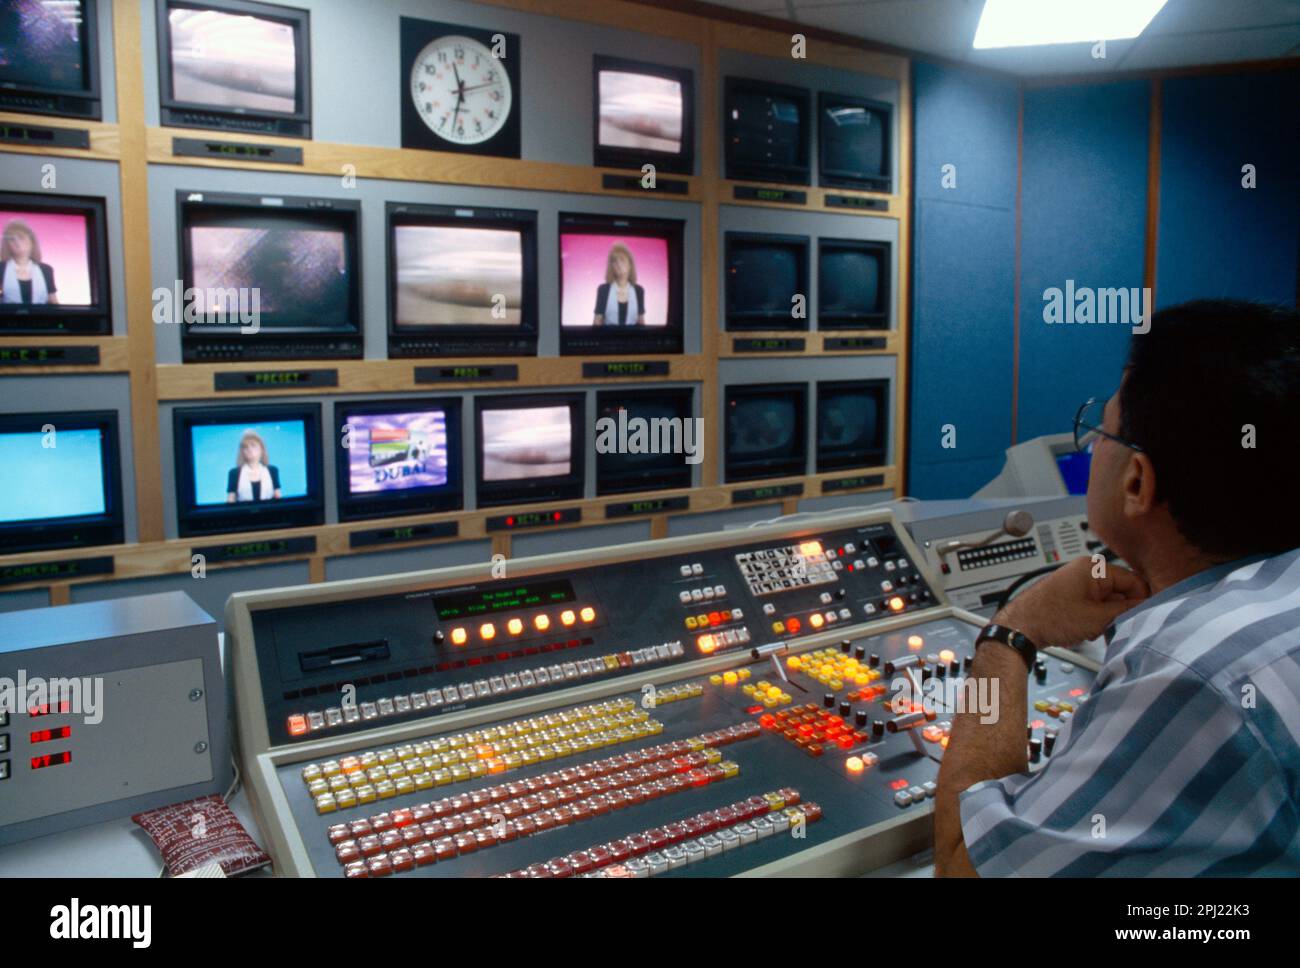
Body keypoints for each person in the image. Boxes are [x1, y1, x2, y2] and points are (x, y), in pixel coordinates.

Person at [934, 299, 1300, 876]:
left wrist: (1010, 636)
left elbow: (962, 869)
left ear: (1137, 481)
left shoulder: (1187, 672)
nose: (1093, 447)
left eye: (1101, 430)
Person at [1, 219, 59, 305]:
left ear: (32, 241)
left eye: (21, 237)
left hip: (40, 318)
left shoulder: (46, 270)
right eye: (12, 239)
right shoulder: (1, 268)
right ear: (7, 245)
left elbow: (53, 301)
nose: (17, 243)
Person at [592, 242, 646, 327]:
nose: (619, 265)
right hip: (608, 338)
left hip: (633, 339)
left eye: (622, 260)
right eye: (615, 262)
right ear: (611, 267)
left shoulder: (639, 290)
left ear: (630, 265)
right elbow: (597, 321)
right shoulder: (603, 290)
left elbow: (641, 321)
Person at [226, 429, 281, 502]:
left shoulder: (272, 470)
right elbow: (230, 500)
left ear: (261, 449)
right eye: (246, 447)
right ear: (242, 452)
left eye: (253, 446)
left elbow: (278, 498)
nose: (249, 449)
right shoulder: (234, 473)